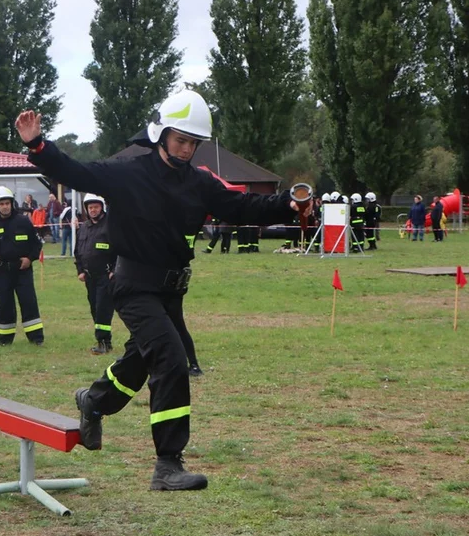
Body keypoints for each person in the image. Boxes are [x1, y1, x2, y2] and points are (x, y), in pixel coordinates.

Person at [16, 89, 297, 491]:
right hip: (132, 286)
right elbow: (77, 172)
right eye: (180, 140)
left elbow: (242, 207)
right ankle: (167, 464)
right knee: (171, 358)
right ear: (161, 135)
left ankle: (93, 401)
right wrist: (38, 145)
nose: (186, 150)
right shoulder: (128, 172)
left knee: (142, 360)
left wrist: (289, 204)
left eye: (193, 143)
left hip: (171, 292)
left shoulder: (200, 183)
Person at [0, 185, 44, 346]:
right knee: (5, 305)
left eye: (7, 203)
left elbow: (36, 244)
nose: (5, 206)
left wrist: (30, 258)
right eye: (1, 204)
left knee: (29, 303)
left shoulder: (23, 221)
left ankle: (36, 338)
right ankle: (4, 339)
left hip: (23, 271)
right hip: (2, 271)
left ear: (12, 203)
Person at [74, 193, 117, 355]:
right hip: (89, 277)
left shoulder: (111, 226)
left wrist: (114, 271)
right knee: (94, 308)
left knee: (102, 309)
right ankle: (104, 340)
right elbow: (78, 251)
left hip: (105, 276)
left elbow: (120, 251)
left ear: (102, 207)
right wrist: (80, 270)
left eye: (96, 207)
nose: (93, 210)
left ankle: (104, 342)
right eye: (90, 207)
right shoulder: (84, 227)